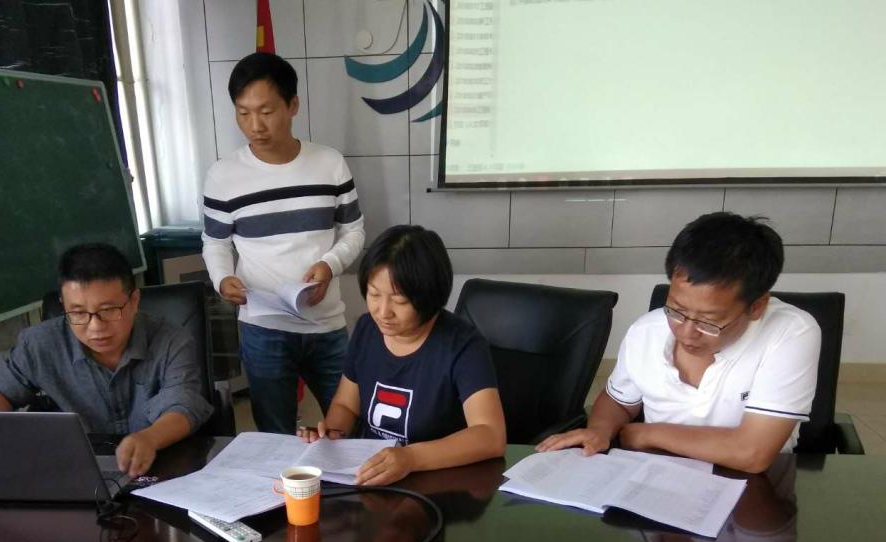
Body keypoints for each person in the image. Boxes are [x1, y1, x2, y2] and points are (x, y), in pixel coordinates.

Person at [538, 212, 820, 473]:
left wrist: (647, 434)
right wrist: (600, 429)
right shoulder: (646, 331)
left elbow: (752, 453)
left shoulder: (791, 333)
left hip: (753, 490)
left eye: (709, 321)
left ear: (756, 307)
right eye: (676, 310)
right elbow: (618, 402)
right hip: (656, 479)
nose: (686, 332)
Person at [202, 52, 365, 434]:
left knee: (353, 430)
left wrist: (329, 265)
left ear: (293, 106)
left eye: (266, 111)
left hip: (326, 324)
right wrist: (222, 279)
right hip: (263, 325)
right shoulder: (223, 176)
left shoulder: (329, 163)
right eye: (243, 113)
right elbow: (215, 242)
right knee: (275, 437)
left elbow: (354, 231)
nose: (255, 125)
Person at [0, 243, 212, 477]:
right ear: (64, 306)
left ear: (134, 301)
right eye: (78, 313)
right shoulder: (39, 343)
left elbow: (184, 405)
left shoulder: (171, 340)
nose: (96, 327)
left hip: (156, 466)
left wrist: (149, 438)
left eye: (108, 310)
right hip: (73, 470)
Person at [299, 225, 506, 486]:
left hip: (438, 485)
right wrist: (330, 437)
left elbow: (490, 435)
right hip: (370, 478)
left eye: (399, 301)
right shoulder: (367, 329)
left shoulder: (463, 346)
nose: (383, 311)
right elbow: (346, 405)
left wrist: (410, 458)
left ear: (429, 296)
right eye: (374, 294)